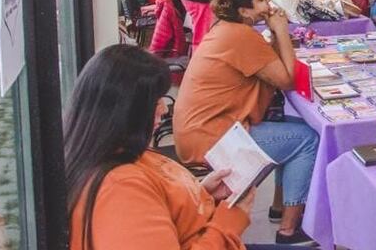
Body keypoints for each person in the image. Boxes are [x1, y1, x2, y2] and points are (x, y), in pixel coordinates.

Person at [174, 0, 320, 246]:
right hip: (213, 138)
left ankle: (279, 207)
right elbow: (287, 78)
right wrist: (281, 30)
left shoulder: (226, 28)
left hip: (201, 131)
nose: (268, 5)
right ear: (244, 11)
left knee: (292, 128)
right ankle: (289, 231)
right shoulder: (240, 36)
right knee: (307, 139)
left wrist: (275, 35)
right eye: (261, 0)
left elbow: (274, 65)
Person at [65, 45, 254, 250]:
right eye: (155, 102)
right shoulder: (121, 190)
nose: (164, 109)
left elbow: (156, 209)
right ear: (127, 110)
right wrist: (228, 223)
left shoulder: (117, 157)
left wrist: (201, 195)